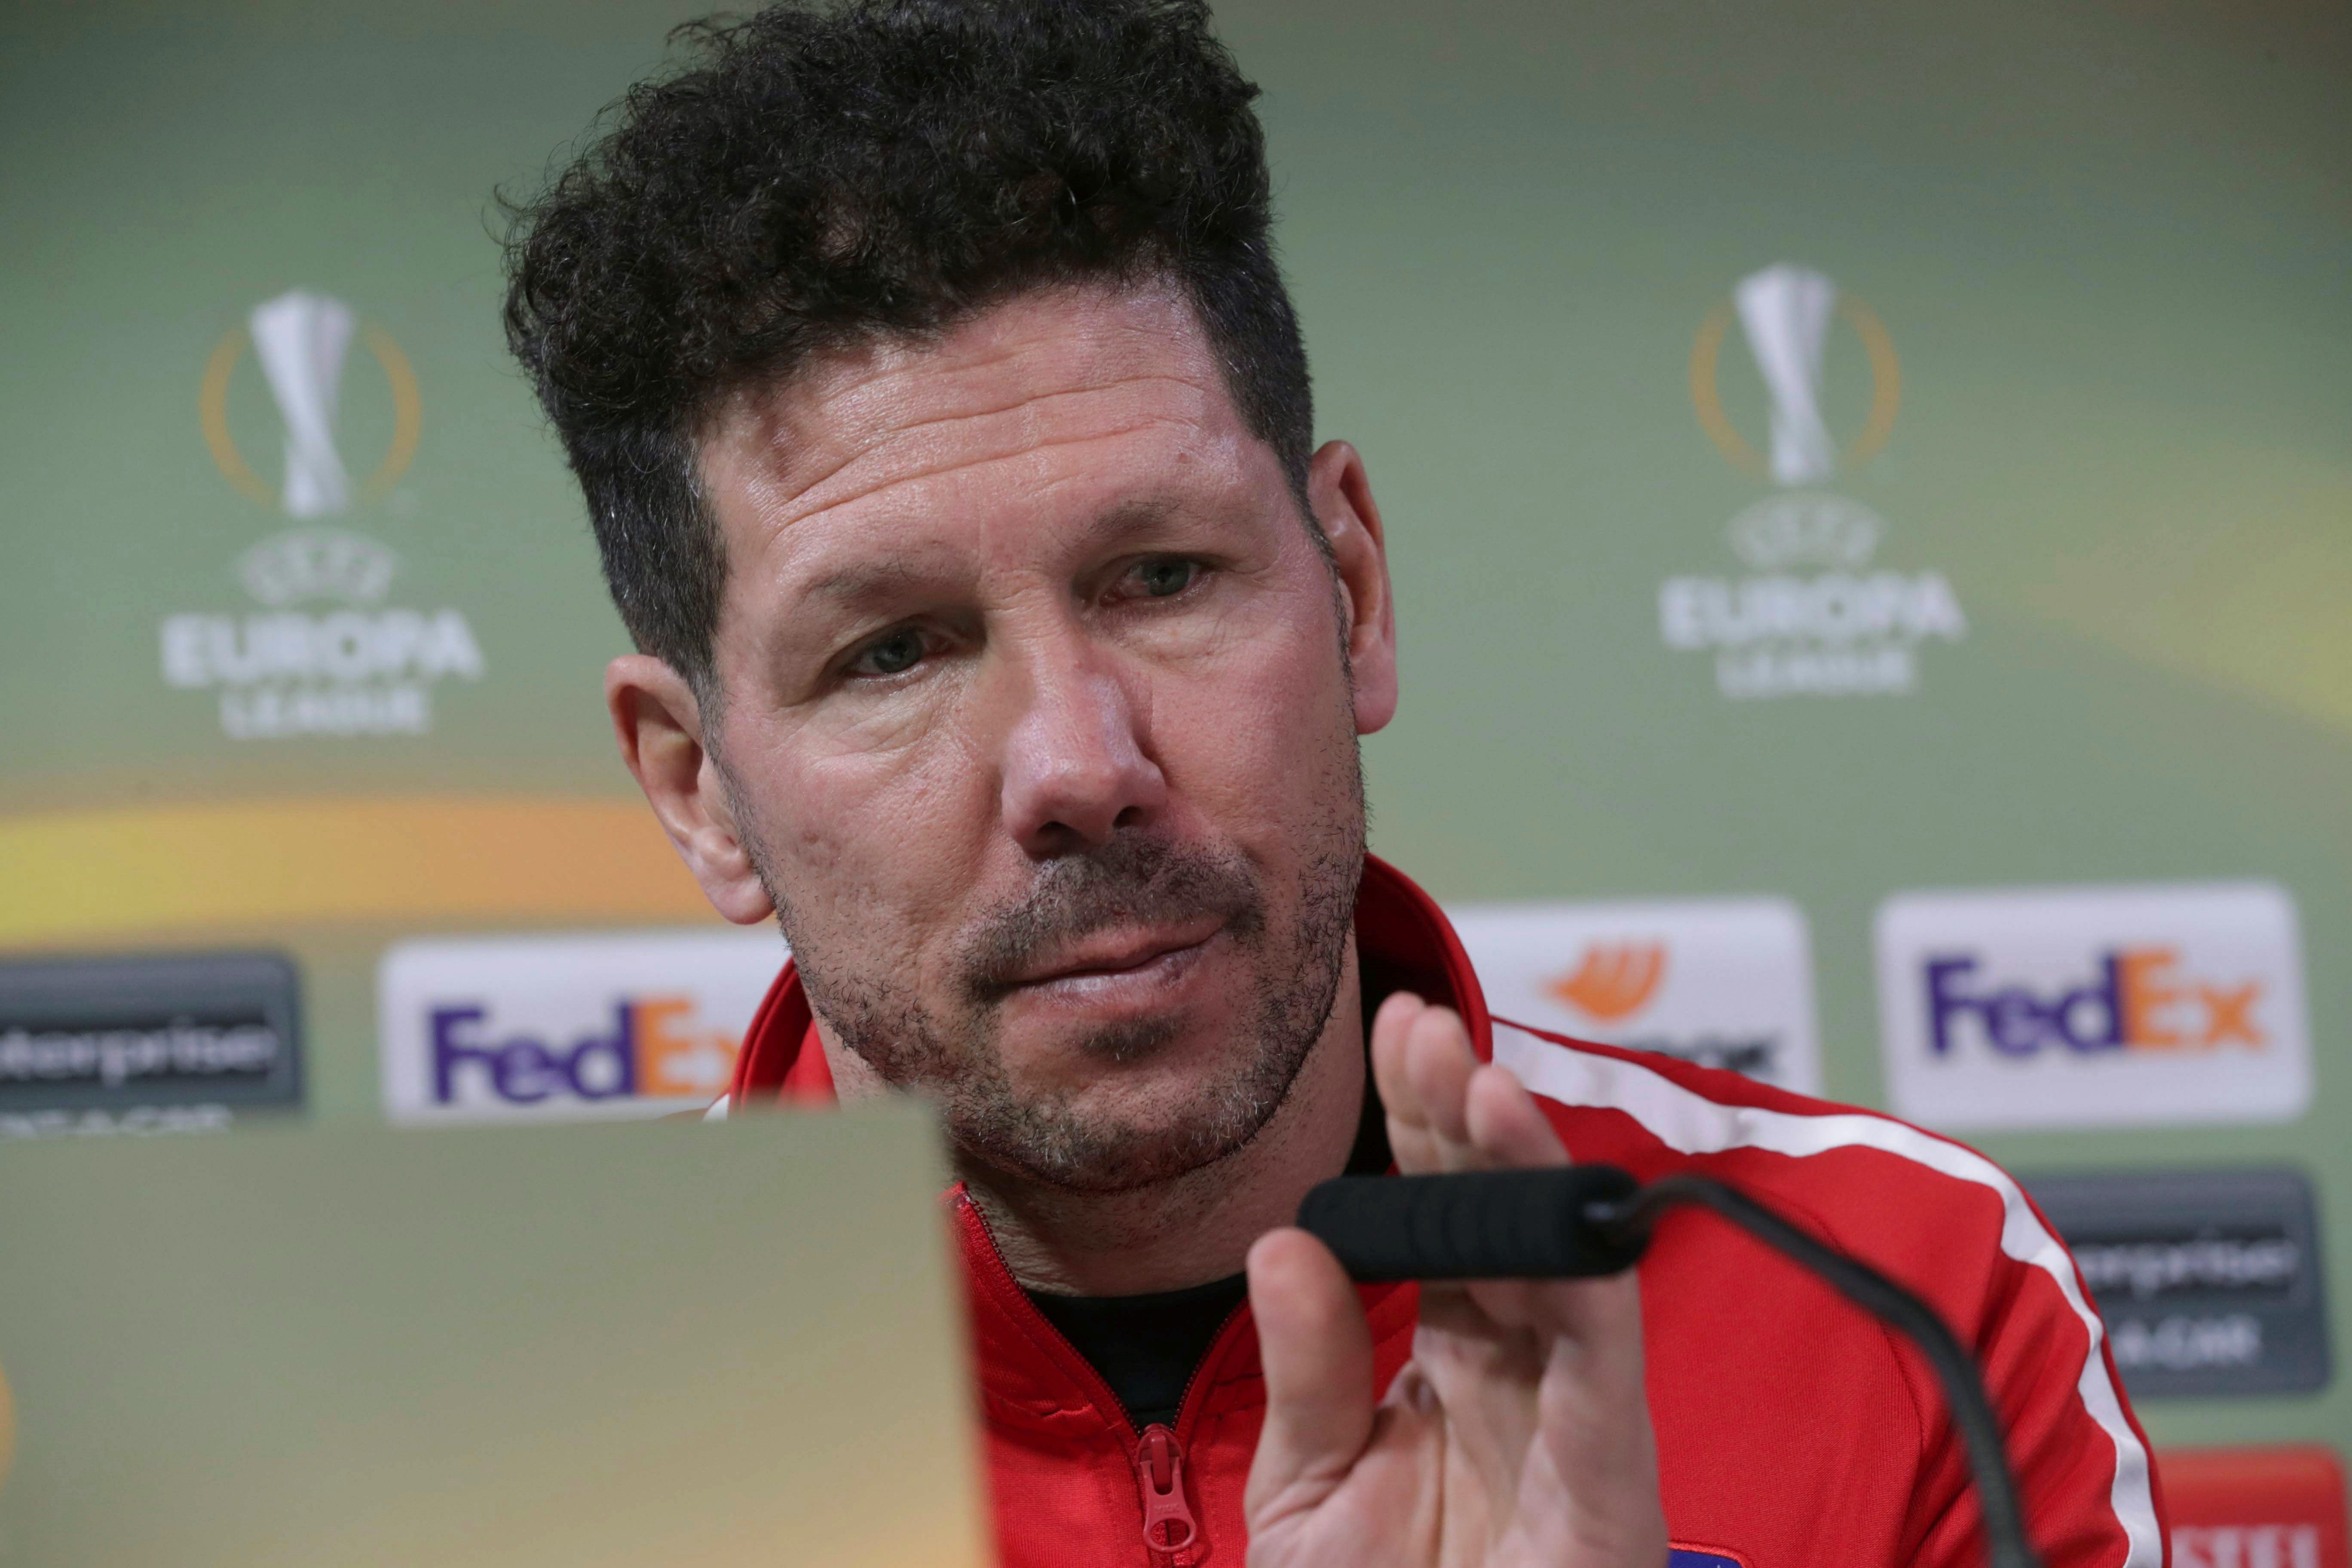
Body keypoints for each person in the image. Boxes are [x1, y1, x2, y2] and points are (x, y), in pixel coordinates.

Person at [500, 3, 2164, 1564]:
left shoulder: (1906, 1298)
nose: (1081, 764)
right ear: (699, 788)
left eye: (1163, 576)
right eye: (892, 654)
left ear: (1352, 591)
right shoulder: (480, 1424)